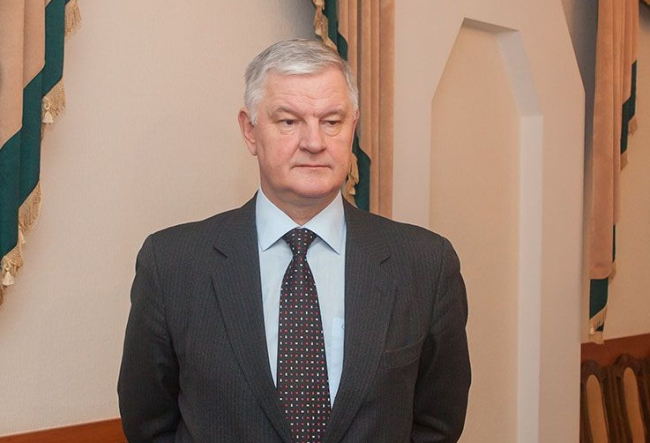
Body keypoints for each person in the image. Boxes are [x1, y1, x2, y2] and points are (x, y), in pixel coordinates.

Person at [118, 38, 470, 443]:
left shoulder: (425, 264)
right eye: (289, 121)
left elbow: (436, 424)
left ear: (352, 126)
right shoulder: (172, 265)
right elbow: (149, 424)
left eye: (332, 121)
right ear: (250, 131)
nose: (314, 142)